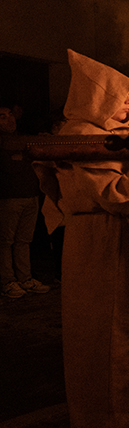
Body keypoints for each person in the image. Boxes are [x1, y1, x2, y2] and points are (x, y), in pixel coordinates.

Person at [34, 51, 129, 428]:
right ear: (98, 97)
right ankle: (110, 427)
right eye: (122, 96)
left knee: (116, 331)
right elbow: (117, 195)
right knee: (109, 335)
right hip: (106, 242)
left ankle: (113, 426)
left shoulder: (103, 135)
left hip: (108, 240)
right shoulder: (81, 135)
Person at [1, 102, 49, 298]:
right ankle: (7, 281)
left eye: (10, 114)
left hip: (30, 195)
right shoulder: (3, 143)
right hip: (8, 198)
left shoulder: (23, 140)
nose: (9, 118)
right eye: (2, 116)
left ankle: (24, 278)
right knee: (5, 241)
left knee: (23, 240)